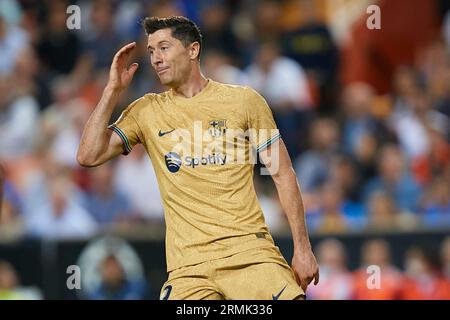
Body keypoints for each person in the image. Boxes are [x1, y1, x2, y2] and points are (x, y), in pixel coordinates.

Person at [77, 16, 319, 300]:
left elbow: (281, 173)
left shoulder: (244, 102)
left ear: (193, 50)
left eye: (164, 47)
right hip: (188, 269)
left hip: (250, 256)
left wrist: (302, 248)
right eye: (151, 51)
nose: (156, 58)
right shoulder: (146, 112)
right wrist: (112, 91)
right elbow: (88, 155)